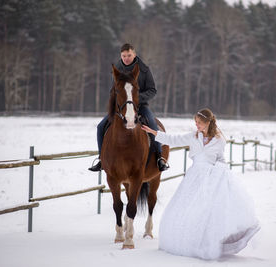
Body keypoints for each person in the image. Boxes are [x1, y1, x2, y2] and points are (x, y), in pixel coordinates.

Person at [141, 108, 260, 260]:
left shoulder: (219, 141)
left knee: (206, 212)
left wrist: (222, 171)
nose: (196, 125)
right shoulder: (193, 137)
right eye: (195, 122)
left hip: (211, 178)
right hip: (194, 177)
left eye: (199, 123)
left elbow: (221, 159)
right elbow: (173, 139)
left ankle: (207, 241)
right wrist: (154, 132)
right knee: (188, 209)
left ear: (207, 123)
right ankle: (187, 241)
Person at [89, 43, 169, 172]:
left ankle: (159, 158)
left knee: (153, 126)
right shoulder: (117, 70)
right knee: (100, 127)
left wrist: (137, 98)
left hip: (140, 106)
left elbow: (152, 90)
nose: (126, 58)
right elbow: (113, 90)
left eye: (129, 55)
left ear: (134, 55)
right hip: (121, 108)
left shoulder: (144, 69)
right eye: (124, 55)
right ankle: (101, 159)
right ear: (121, 55)